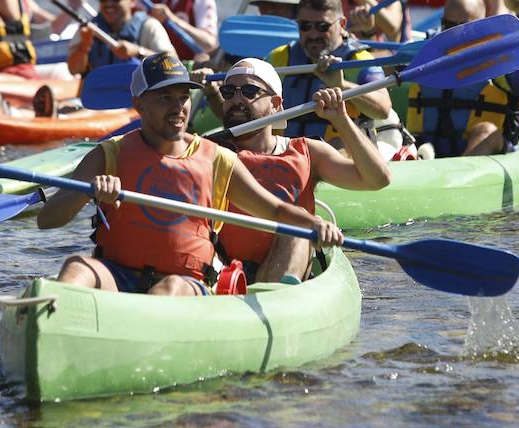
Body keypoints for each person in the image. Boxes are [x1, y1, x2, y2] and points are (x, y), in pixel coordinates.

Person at [38, 53, 342, 296]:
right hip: (118, 275)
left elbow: (274, 210)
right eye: (164, 98)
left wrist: (315, 223)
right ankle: (52, 328)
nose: (178, 108)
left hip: (187, 284)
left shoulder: (217, 158)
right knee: (77, 267)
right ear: (139, 105)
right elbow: (47, 218)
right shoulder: (109, 154)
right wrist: (87, 191)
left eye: (183, 97)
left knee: (169, 288)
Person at [208, 59, 390, 283]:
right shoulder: (208, 151)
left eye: (249, 91)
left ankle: (277, 295)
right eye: (228, 92)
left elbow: (378, 179)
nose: (236, 99)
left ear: (276, 104)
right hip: (225, 272)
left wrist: (341, 119)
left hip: (286, 269)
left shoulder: (307, 152)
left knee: (299, 222)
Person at [406, 0, 519, 158]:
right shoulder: (427, 58)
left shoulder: (502, 62)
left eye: (461, 27)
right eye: (447, 25)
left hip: (487, 152)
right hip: (428, 150)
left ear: (480, 26)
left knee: (486, 131)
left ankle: (461, 176)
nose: (453, 34)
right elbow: (385, 71)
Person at [266, 0, 400, 154]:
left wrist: (341, 86)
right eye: (305, 26)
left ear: (342, 25)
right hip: (286, 155)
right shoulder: (279, 58)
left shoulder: (359, 59)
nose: (313, 34)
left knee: (338, 146)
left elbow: (383, 109)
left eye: (323, 26)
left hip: (342, 159)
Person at [66, 0, 174, 76]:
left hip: (135, 93)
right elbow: (73, 70)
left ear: (132, 0)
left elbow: (173, 63)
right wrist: (84, 47)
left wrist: (138, 51)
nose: (109, 3)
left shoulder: (149, 26)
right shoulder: (88, 28)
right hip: (101, 92)